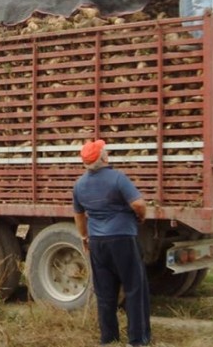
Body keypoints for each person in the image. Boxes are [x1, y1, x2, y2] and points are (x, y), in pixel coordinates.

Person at [73, 139, 150, 346]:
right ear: (104, 158)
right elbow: (138, 203)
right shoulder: (117, 178)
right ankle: (137, 340)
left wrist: (84, 237)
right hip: (123, 238)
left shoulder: (79, 184)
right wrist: (141, 217)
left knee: (105, 293)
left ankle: (108, 339)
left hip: (98, 242)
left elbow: (79, 215)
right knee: (134, 288)